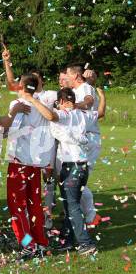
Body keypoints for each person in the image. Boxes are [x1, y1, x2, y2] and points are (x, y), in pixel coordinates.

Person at [21, 86, 106, 255]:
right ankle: (68, 239)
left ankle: (85, 243)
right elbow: (101, 112)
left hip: (71, 166)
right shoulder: (83, 114)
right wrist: (102, 96)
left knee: (73, 205)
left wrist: (32, 100)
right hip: (83, 166)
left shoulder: (65, 114)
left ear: (61, 102)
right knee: (69, 204)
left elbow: (51, 115)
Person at [5, 74, 55, 259]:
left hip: (20, 162)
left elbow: (11, 130)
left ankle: (27, 244)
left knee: (16, 206)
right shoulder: (43, 103)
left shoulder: (18, 104)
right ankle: (41, 242)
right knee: (34, 204)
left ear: (22, 86)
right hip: (37, 163)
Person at [66, 65, 102, 227]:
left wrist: (75, 105)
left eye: (68, 75)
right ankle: (83, 214)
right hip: (82, 139)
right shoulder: (78, 88)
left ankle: (91, 216)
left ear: (76, 76)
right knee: (75, 180)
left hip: (89, 139)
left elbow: (89, 101)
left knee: (79, 181)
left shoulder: (86, 88)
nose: (66, 79)